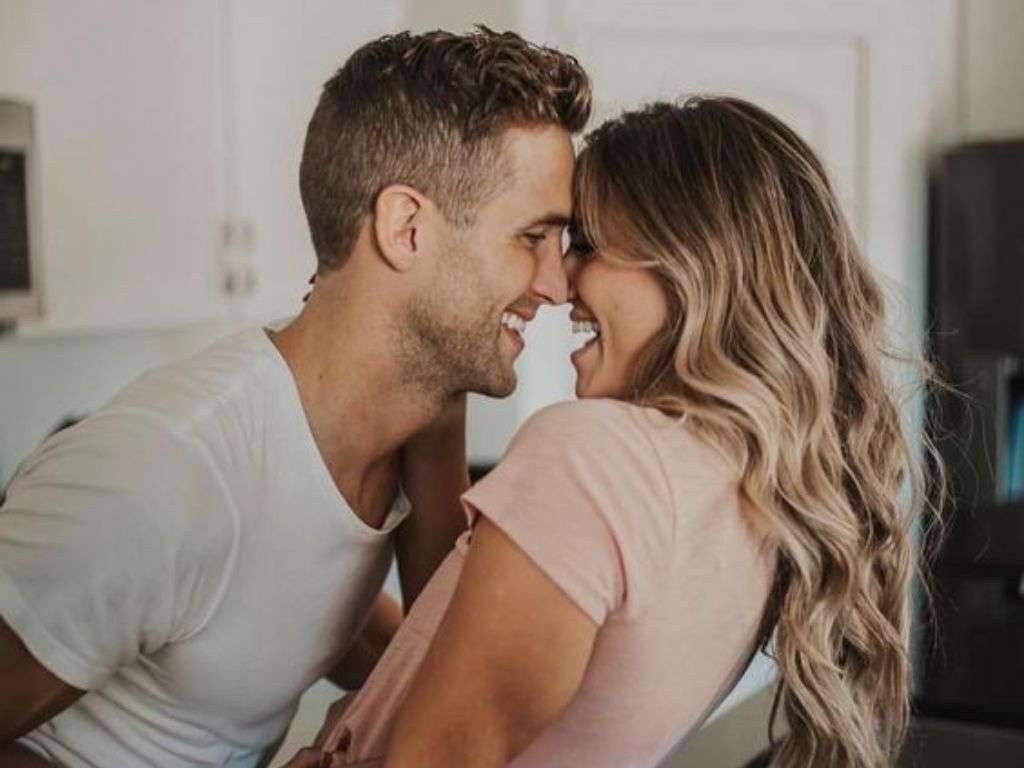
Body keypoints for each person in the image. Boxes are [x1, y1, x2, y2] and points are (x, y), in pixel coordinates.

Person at [0, 29, 591, 767]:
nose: (557, 286)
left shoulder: (408, 424)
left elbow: (385, 639)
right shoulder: (162, 474)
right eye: (532, 237)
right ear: (406, 229)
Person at [295, 97, 943, 768]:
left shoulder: (594, 457)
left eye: (587, 246)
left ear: (694, 267)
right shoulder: (751, 487)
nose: (558, 283)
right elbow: (459, 639)